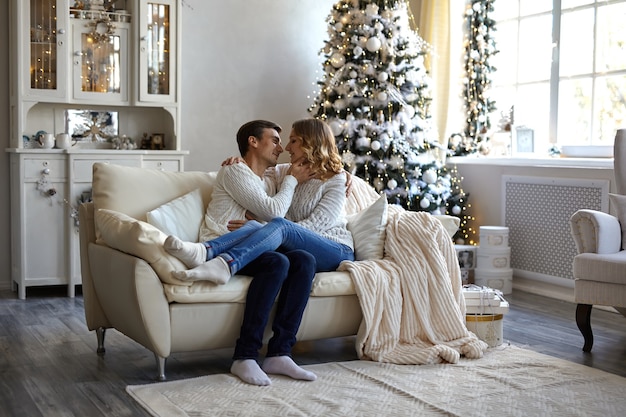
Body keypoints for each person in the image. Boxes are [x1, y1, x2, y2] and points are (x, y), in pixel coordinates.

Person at [164, 119, 354, 386]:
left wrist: (346, 175)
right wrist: (237, 159)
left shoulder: (334, 179)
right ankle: (277, 353)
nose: (286, 147)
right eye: (281, 140)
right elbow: (258, 180)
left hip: (334, 247)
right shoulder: (286, 173)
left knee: (280, 230)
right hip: (303, 249)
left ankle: (218, 258)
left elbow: (311, 227)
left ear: (312, 143)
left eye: (294, 141)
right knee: (301, 261)